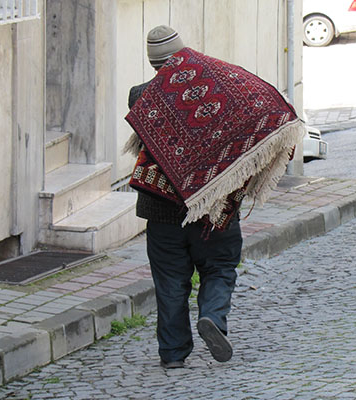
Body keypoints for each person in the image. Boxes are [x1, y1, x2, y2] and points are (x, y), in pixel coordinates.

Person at [128, 25, 243, 369]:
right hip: (212, 206)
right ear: (181, 56)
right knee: (220, 267)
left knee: (169, 282)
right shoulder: (218, 89)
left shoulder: (138, 95)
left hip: (162, 209)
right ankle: (212, 317)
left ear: (152, 63)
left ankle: (173, 355)